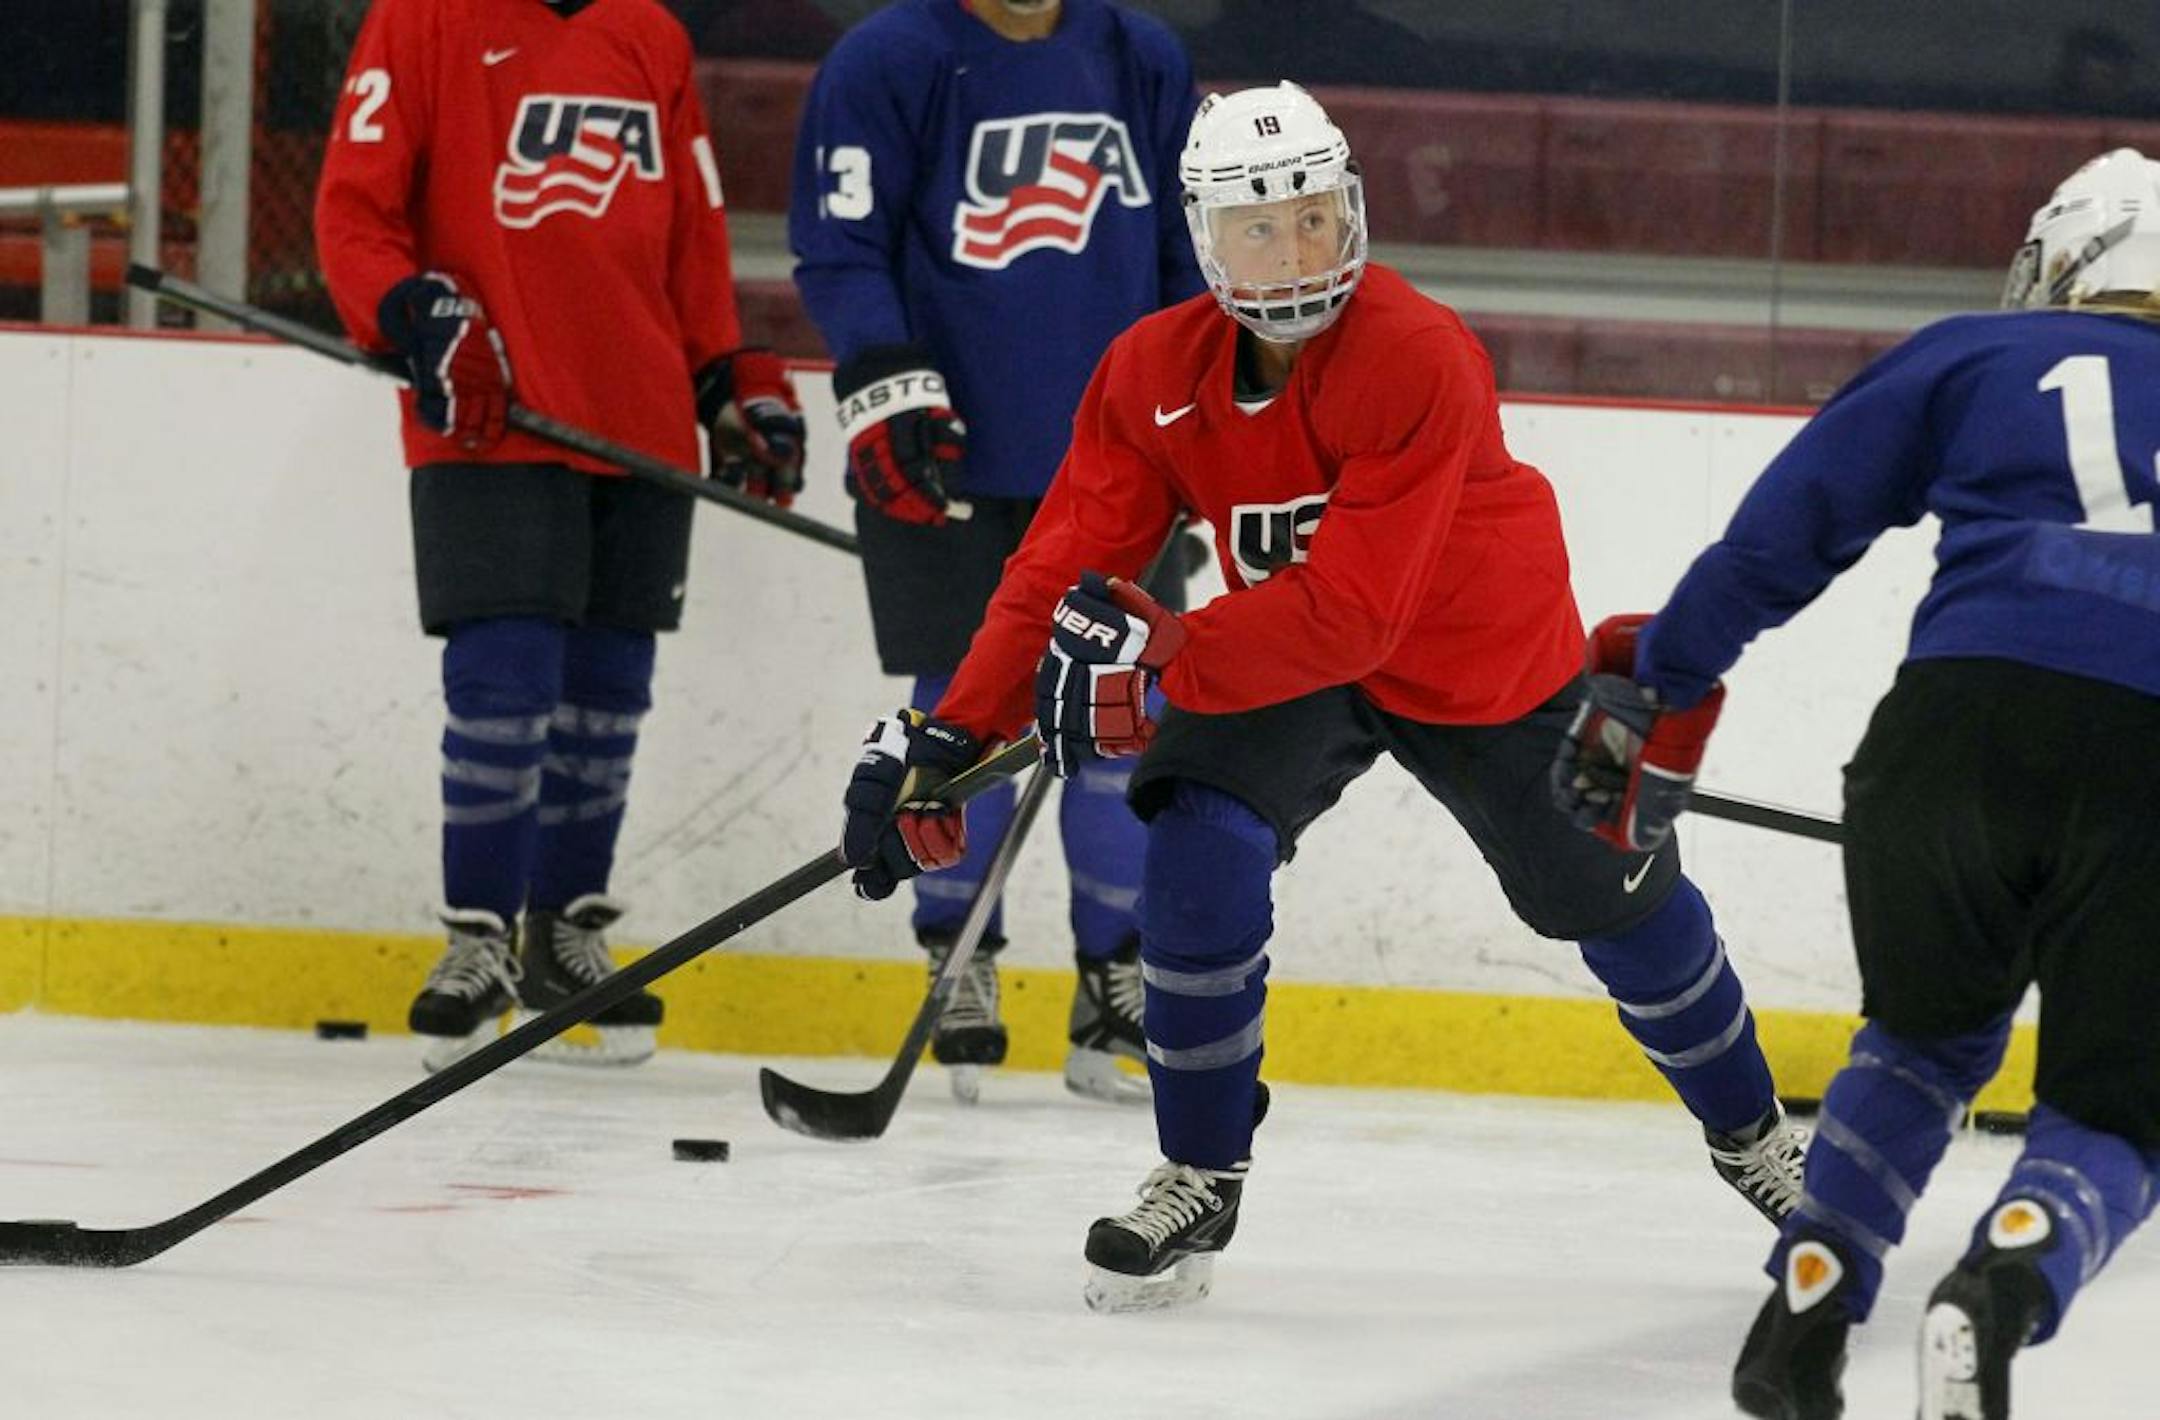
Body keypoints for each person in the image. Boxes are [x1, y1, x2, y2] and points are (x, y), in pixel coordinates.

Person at [836, 81, 1808, 1312]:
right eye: (1257, 228)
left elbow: (1363, 612)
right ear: (1203, 238)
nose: (1292, 251)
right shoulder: (1149, 372)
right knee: (1196, 849)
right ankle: (1198, 1166)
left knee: (1619, 900)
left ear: (1350, 207)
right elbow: (1060, 570)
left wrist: (1157, 654)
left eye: (1311, 216)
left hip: (1483, 654)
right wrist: (949, 730)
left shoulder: (1416, 350)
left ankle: (1756, 1133)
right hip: (1283, 651)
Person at [1552, 148, 2160, 1420]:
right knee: (2118, 1108)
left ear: (2065, 264)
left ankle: (1810, 1297)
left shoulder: (1963, 357)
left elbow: (1778, 538)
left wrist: (1662, 679)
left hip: (1946, 736)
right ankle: (2004, 1278)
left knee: (1927, 1043)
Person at [316, 0, 805, 1072]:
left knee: (607, 689)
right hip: (492, 413)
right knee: (504, 679)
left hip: (637, 415)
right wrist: (416, 313)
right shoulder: (422, 18)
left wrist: (729, 373)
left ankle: (562, 934)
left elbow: (692, 234)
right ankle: (479, 937)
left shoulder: (650, 32)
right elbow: (352, 215)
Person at [790, 0, 1204, 1104]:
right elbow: (838, 247)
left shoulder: (1141, 56)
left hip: (1118, 467)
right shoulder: (888, 57)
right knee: (956, 707)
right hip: (950, 453)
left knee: (1125, 716)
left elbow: (1186, 252)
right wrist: (884, 378)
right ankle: (958, 952)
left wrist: (1203, 420)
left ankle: (1113, 979)